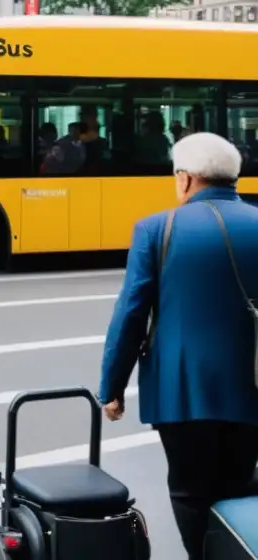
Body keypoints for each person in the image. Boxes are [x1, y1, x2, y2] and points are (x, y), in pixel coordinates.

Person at [99, 132, 258, 560]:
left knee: (189, 489)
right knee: (243, 482)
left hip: (182, 386)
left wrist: (112, 388)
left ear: (186, 179)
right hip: (253, 384)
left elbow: (131, 314)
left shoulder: (157, 229)